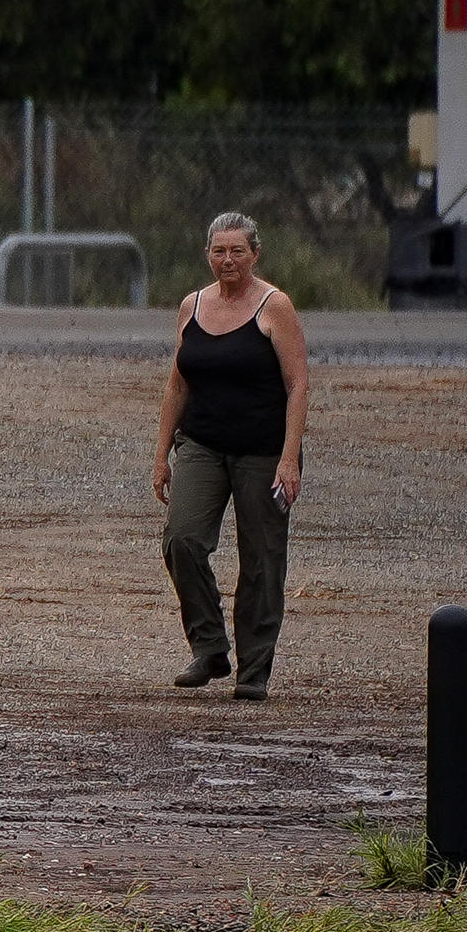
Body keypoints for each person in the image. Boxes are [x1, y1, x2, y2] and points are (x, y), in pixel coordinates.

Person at [154, 211, 311, 703]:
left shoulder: (274, 305)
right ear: (208, 254)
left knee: (261, 557)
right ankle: (209, 647)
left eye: (237, 252)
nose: (228, 261)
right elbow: (179, 381)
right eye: (220, 251)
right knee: (182, 538)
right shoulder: (192, 305)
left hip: (263, 449)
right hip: (201, 443)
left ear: (254, 254)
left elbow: (298, 383)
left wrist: (289, 458)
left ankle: (254, 668)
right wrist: (161, 453)